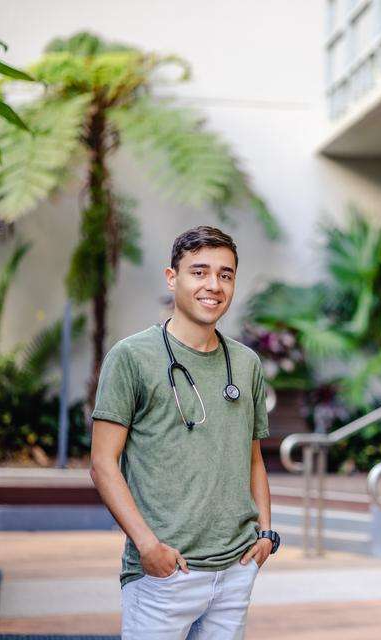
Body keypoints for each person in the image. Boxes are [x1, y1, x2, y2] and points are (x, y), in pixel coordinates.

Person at [90, 226, 280, 639]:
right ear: (172, 277)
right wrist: (147, 548)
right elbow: (103, 464)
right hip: (165, 573)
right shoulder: (131, 357)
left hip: (235, 571)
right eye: (200, 272)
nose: (214, 285)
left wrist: (265, 533)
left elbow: (253, 459)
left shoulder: (246, 364)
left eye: (225, 275)